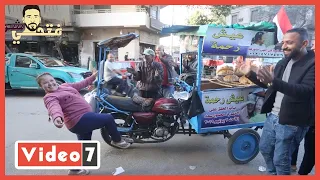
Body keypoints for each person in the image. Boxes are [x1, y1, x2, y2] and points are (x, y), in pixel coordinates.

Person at [239, 28, 315, 175]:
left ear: (304, 43)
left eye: (289, 42)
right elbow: (270, 86)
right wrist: (249, 73)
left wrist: (274, 81)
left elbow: (305, 91)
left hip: (292, 121)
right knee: (265, 149)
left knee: (281, 160)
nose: (284, 46)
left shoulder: (313, 64)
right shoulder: (283, 62)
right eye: (283, 42)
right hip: (273, 116)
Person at [36, 71, 133, 175]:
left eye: (51, 80)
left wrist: (94, 76)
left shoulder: (65, 86)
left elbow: (81, 84)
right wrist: (57, 117)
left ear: (55, 80)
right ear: (42, 86)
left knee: (85, 145)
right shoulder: (50, 97)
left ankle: (75, 170)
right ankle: (116, 140)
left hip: (83, 119)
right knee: (108, 118)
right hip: (79, 120)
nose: (50, 83)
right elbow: (53, 107)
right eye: (46, 83)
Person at [291, 42, 315, 175]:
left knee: (310, 148)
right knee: (294, 140)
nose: (313, 48)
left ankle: (302, 174)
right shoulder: (306, 62)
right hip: (302, 112)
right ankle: (292, 164)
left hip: (313, 117)